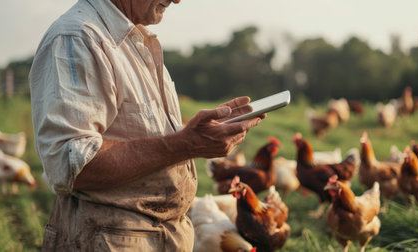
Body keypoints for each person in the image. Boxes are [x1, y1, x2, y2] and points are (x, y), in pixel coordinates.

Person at [29, 0, 263, 250]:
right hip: (110, 240)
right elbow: (69, 166)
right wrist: (185, 144)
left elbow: (144, 134)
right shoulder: (78, 38)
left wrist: (196, 136)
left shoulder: (133, 38)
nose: (177, 0)